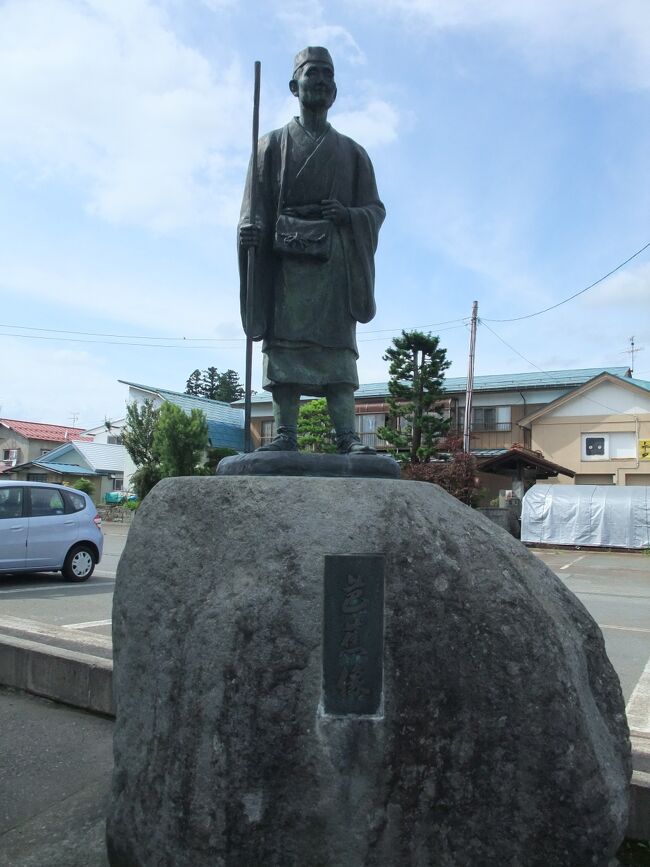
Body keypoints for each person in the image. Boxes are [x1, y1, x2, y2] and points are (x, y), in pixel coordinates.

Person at [238, 46, 385, 453]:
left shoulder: (353, 154)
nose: (320, 80)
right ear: (294, 85)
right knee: (286, 351)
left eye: (328, 74)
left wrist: (349, 215)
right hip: (287, 267)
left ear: (335, 89)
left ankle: (346, 437)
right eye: (312, 73)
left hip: (335, 265)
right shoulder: (270, 147)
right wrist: (249, 233)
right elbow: (254, 210)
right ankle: (285, 435)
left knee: (338, 356)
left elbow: (375, 209)